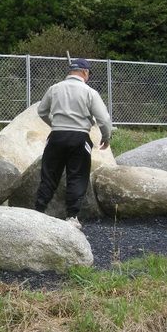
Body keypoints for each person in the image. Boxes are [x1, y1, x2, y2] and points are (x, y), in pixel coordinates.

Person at [35, 58, 112, 229]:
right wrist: (106, 137)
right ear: (85, 72)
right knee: (77, 175)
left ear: (70, 71)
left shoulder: (54, 88)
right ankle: (72, 216)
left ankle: (39, 210)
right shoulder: (89, 92)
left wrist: (54, 125)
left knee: (49, 174)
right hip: (80, 137)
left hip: (56, 136)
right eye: (89, 74)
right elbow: (104, 119)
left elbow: (41, 111)